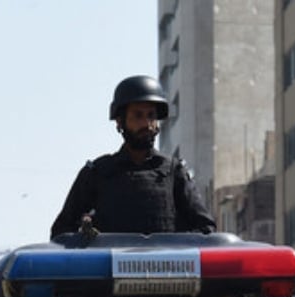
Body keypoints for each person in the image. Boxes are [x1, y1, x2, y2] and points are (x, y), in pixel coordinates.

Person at [50, 75, 217, 237]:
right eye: (138, 116)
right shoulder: (97, 173)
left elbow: (205, 230)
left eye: (151, 116)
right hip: (109, 265)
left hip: (163, 265)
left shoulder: (174, 172)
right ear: (120, 121)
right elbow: (62, 233)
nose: (146, 124)